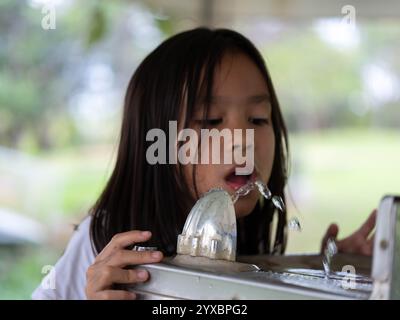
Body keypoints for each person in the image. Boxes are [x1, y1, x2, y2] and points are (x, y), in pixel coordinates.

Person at [32, 28, 376, 300]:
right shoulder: (106, 244)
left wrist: (333, 273)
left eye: (258, 119)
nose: (242, 139)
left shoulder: (248, 249)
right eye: (211, 121)